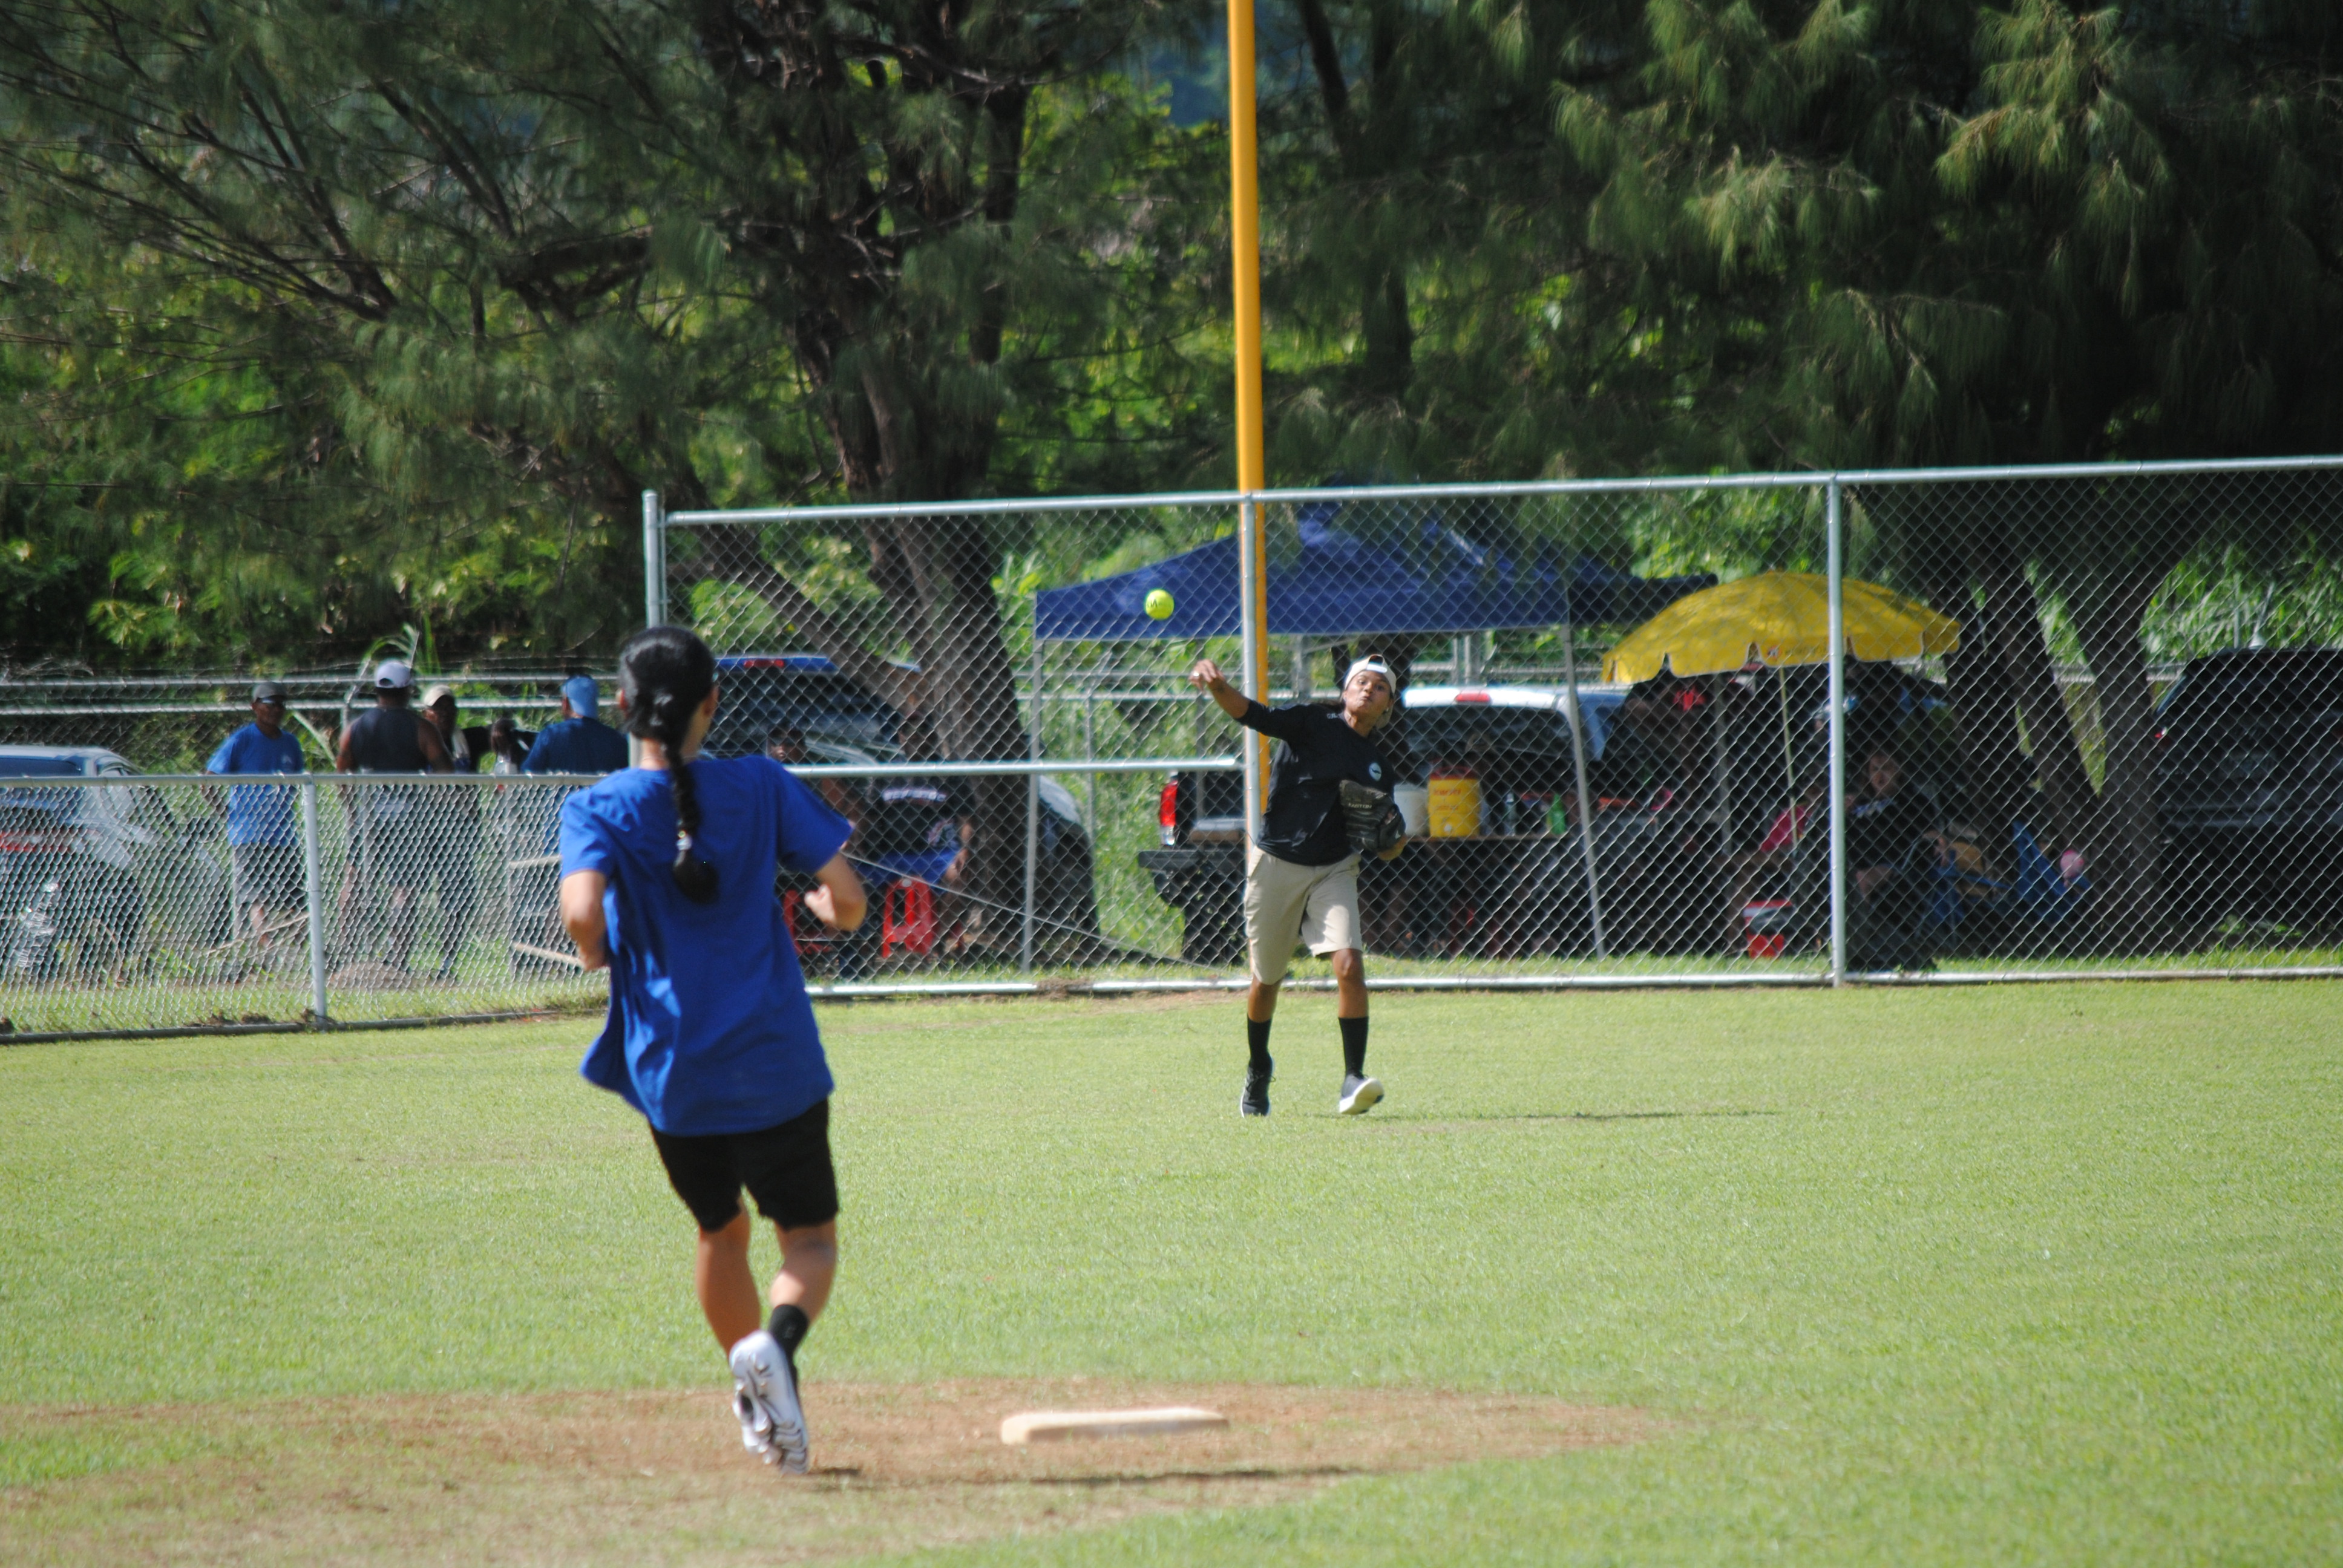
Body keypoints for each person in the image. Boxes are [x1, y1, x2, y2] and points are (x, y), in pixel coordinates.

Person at [557, 626, 867, 1474]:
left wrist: (600, 955)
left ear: (623, 707)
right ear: (712, 704)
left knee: (719, 1231)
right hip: (776, 1064)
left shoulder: (597, 806)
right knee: (807, 1240)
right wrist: (822, 912)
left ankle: (754, 1388)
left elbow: (583, 915)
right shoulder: (762, 783)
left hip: (675, 1077)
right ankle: (777, 1350)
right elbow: (848, 899)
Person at [1188, 654, 1407, 1117]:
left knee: (1349, 965)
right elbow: (1253, 714)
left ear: (1388, 707)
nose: (1369, 690)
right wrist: (1217, 687)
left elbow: (1387, 849)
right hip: (1277, 863)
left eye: (1380, 688)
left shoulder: (1378, 768)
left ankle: (1352, 1078)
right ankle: (1258, 1067)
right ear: (1345, 690)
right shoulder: (1311, 723)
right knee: (1267, 981)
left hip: (1334, 868)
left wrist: (1394, 838)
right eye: (1361, 682)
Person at [335, 659, 452, 971]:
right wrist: (435, 802)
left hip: (369, 815)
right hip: (409, 819)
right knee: (405, 887)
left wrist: (351, 810)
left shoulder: (357, 727)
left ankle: (343, 951)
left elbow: (342, 771)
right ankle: (397, 957)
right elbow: (446, 771)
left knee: (355, 879)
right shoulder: (421, 728)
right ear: (407, 690)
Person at [205, 679, 307, 955]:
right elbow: (209, 778)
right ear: (255, 707)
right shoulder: (242, 740)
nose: (276, 710)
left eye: (280, 705)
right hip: (249, 833)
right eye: (269, 704)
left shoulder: (291, 744)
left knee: (296, 898)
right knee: (255, 895)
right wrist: (225, 812)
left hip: (283, 835)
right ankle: (265, 950)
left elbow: (298, 782)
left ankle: (293, 951)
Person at [420, 685, 485, 980]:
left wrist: (504, 728)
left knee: (458, 899)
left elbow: (502, 729)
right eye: (438, 709)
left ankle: (447, 963)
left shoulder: (466, 740)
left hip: (458, 834)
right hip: (421, 831)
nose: (445, 715)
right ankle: (398, 963)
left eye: (450, 709)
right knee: (408, 893)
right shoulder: (417, 739)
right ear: (426, 713)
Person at [523, 675, 631, 775]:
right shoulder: (616, 739)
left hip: (561, 796)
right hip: (603, 795)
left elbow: (529, 771)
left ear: (565, 703)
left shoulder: (551, 734)